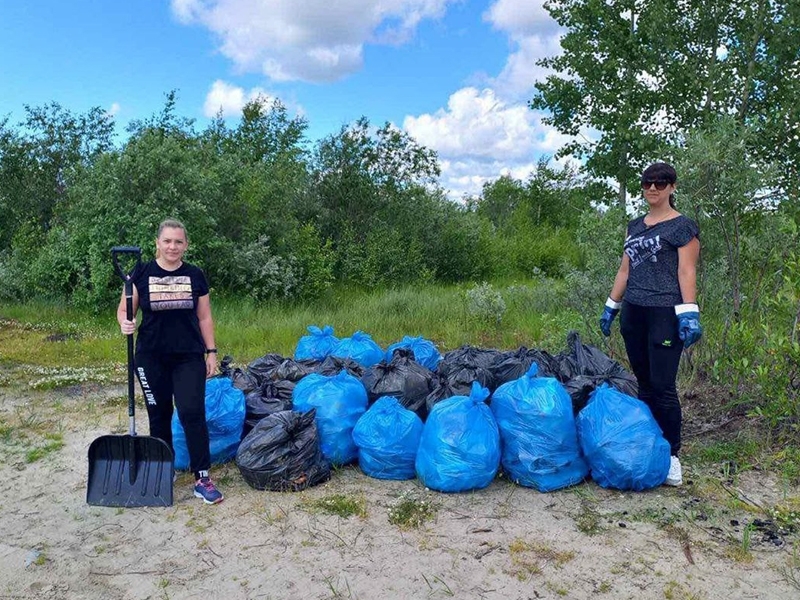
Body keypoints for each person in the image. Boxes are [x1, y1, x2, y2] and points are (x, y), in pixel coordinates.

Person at [599, 162, 702, 487]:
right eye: (648, 183)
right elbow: (624, 271)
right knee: (643, 384)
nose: (653, 189)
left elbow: (686, 272)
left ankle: (671, 456)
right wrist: (611, 306)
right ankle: (647, 445)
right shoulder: (634, 227)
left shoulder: (683, 227)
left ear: (672, 187)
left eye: (661, 183)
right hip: (635, 312)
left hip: (665, 314)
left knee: (663, 386)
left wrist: (689, 311)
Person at [117, 219, 224, 504]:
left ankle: (202, 476)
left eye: (178, 242)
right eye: (167, 241)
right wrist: (125, 323)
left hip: (189, 356)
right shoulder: (141, 272)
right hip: (150, 357)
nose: (172, 247)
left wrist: (211, 352)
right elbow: (125, 309)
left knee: (192, 412)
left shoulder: (195, 275)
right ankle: (164, 470)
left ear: (185, 245)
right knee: (159, 413)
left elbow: (204, 317)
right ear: (157, 243)